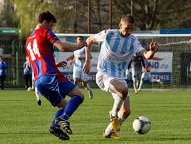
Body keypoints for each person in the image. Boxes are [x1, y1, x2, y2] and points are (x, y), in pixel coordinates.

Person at [83, 14, 159, 139]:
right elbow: (89, 40)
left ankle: (108, 132)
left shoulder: (133, 40)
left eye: (131, 29)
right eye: (126, 28)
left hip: (119, 77)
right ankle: (113, 114)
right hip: (104, 74)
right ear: (120, 25)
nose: (129, 31)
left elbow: (146, 55)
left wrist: (152, 51)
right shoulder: (109, 34)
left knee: (126, 111)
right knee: (123, 90)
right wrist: (87, 61)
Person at [25, 11, 86, 140]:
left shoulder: (29, 40)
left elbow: (34, 60)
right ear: (45, 23)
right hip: (50, 74)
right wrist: (79, 45)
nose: (52, 28)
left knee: (64, 105)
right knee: (79, 96)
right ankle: (63, 119)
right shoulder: (45, 32)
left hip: (38, 80)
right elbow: (62, 47)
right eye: (51, 25)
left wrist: (55, 64)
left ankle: (55, 126)